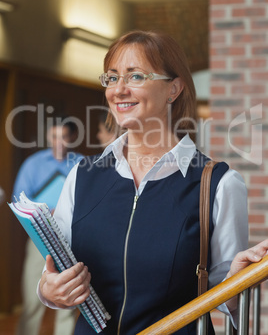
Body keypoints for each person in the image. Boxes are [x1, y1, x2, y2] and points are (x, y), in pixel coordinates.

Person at [37, 30, 257, 334]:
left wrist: (239, 278)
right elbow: (56, 275)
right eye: (112, 78)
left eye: (136, 76)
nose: (119, 90)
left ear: (174, 89)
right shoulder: (82, 176)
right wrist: (49, 292)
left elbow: (226, 298)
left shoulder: (217, 184)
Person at [13, 116, 83, 335]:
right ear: (48, 137)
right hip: (39, 237)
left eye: (64, 136)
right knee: (32, 301)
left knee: (68, 302)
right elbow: (18, 200)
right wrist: (45, 212)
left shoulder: (81, 163)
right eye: (54, 136)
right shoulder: (33, 164)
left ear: (72, 137)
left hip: (71, 238)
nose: (59, 141)